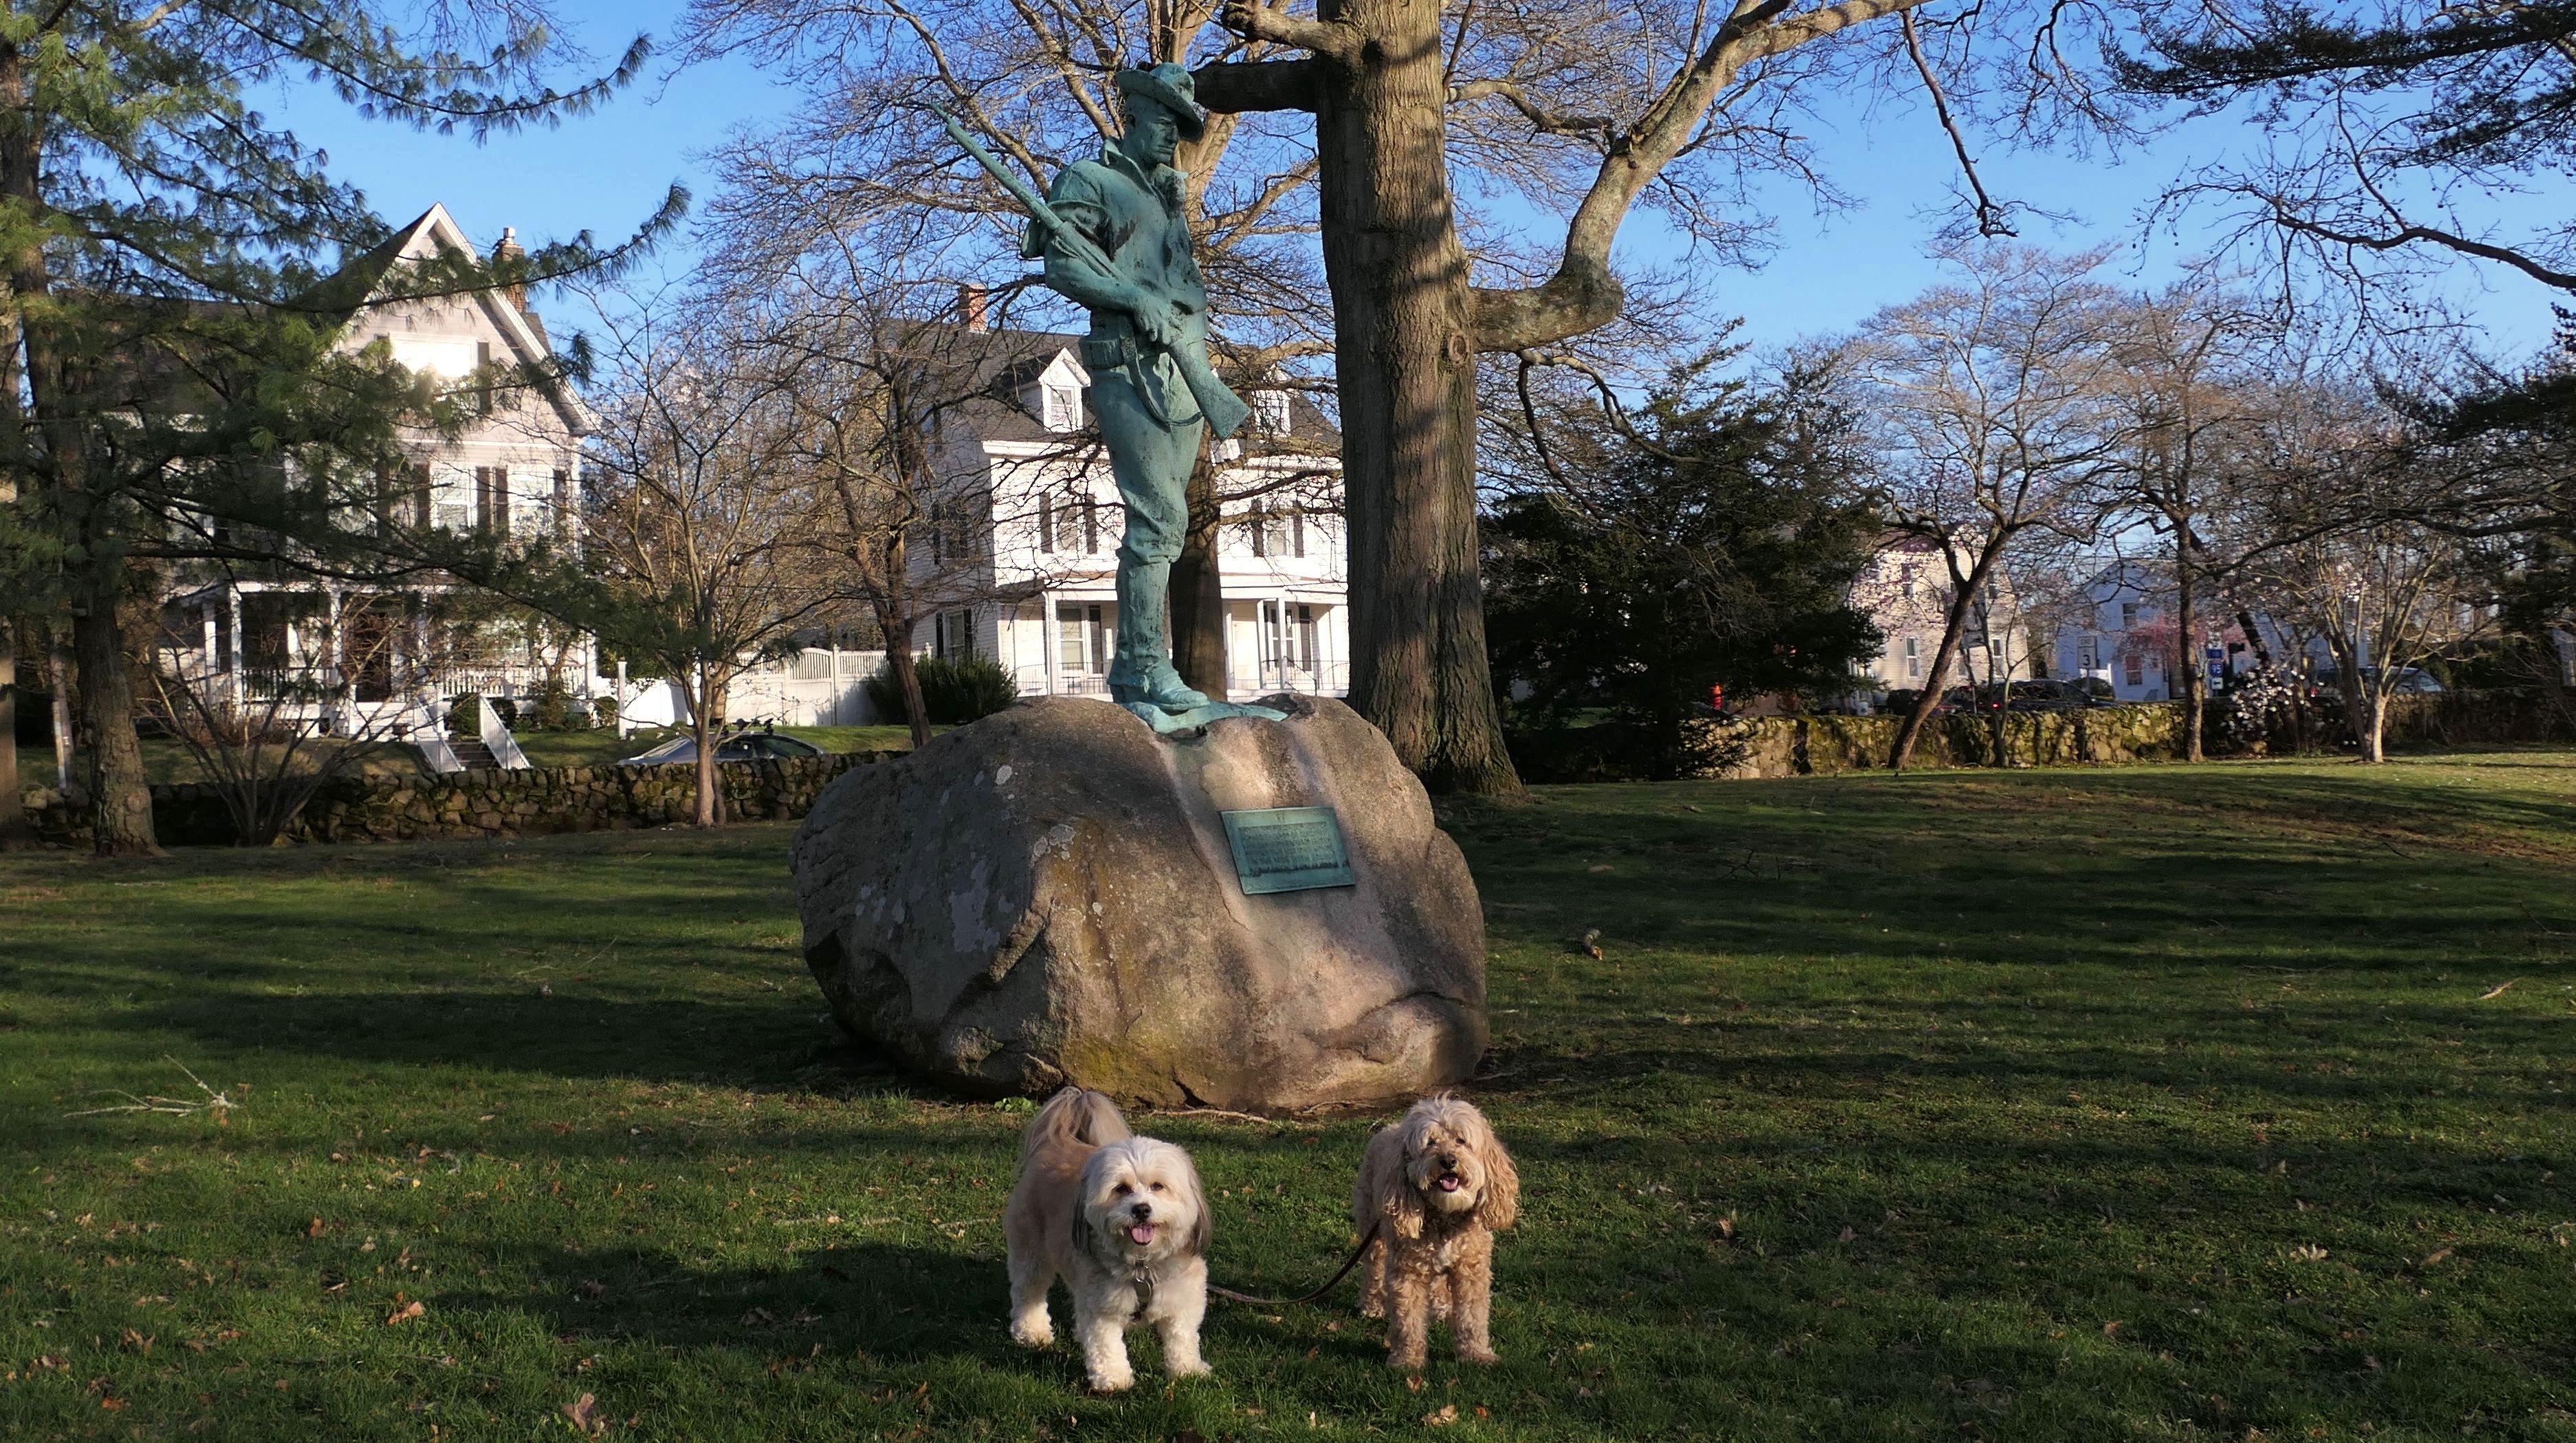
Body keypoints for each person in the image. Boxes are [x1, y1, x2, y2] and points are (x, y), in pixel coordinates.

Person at [1026, 64, 1225, 718]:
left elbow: (1179, 284)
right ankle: (1142, 665)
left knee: (1173, 525)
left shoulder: (1167, 194)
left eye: (1181, 128)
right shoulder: (1089, 180)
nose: (1174, 137)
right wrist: (1132, 299)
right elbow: (1064, 265)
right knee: (1158, 518)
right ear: (1134, 116)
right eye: (1166, 123)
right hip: (1127, 366)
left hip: (1186, 370)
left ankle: (1142, 668)